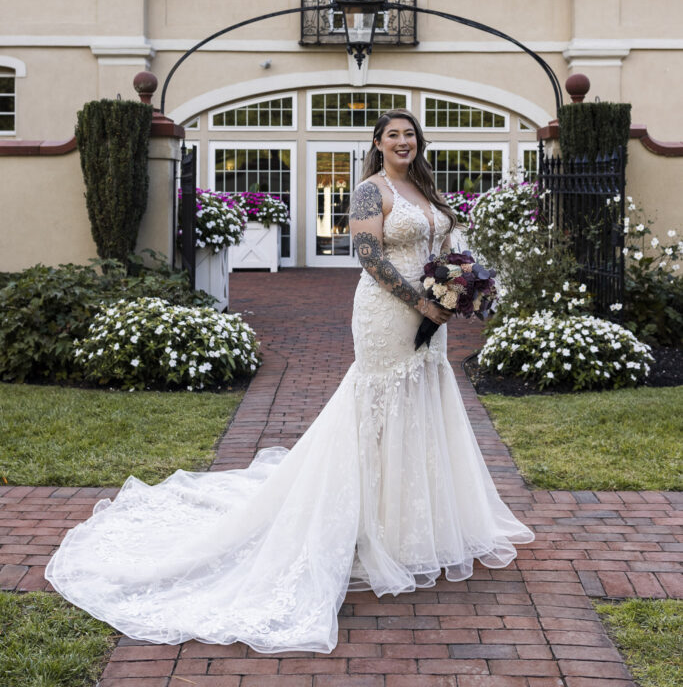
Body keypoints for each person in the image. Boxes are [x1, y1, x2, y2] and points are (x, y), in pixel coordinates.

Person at [46, 108, 533, 654]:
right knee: (379, 405)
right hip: (388, 314)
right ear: (377, 143)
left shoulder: (425, 189)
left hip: (432, 317)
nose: (403, 141)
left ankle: (414, 524)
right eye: (392, 135)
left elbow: (443, 248)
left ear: (419, 142)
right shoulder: (371, 191)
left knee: (423, 400)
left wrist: (455, 287)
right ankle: (367, 527)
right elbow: (369, 255)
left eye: (410, 134)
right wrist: (421, 299)